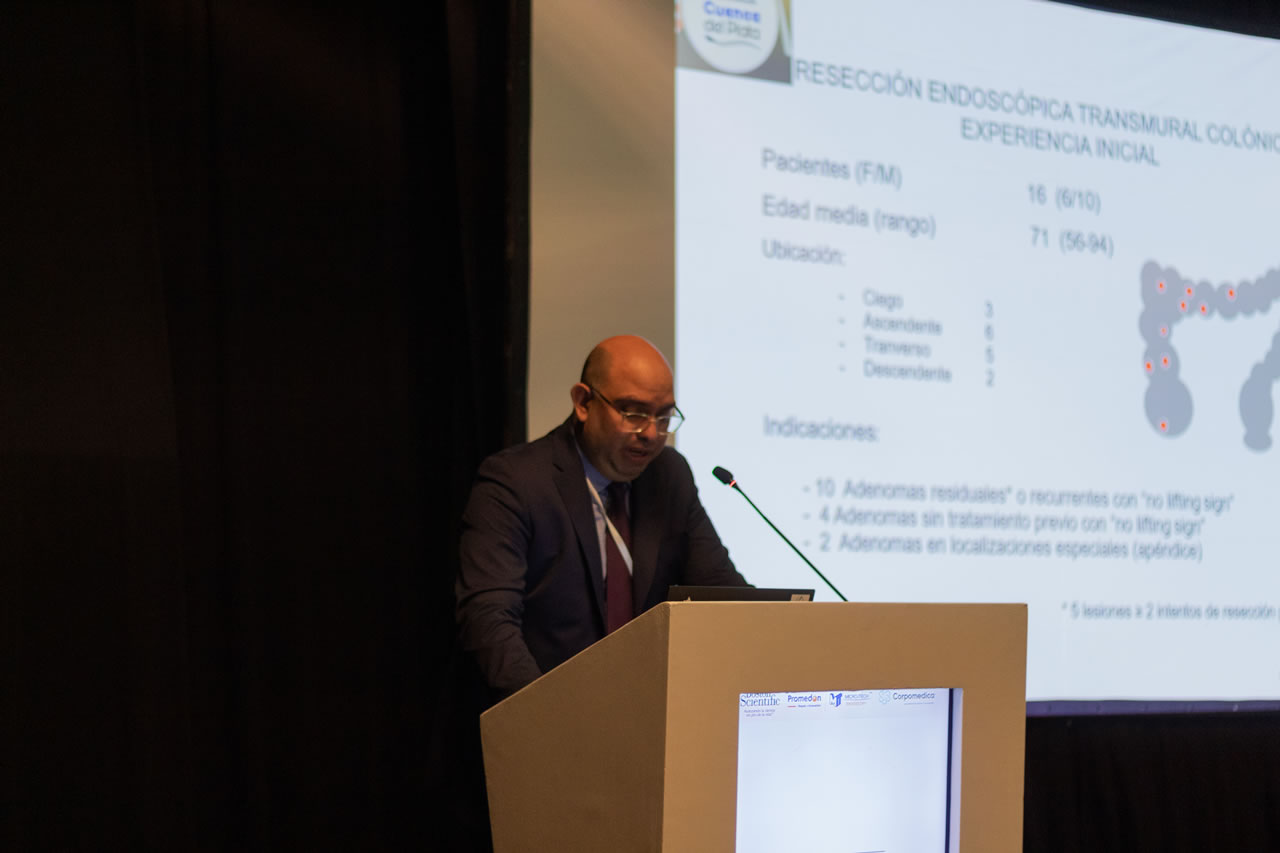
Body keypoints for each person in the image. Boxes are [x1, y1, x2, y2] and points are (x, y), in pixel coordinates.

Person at [456, 334, 748, 699]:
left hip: (645, 710)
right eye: (634, 413)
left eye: (664, 416)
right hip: (552, 708)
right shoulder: (516, 482)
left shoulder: (668, 475)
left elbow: (722, 593)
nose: (651, 433)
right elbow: (489, 619)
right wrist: (544, 714)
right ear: (583, 403)